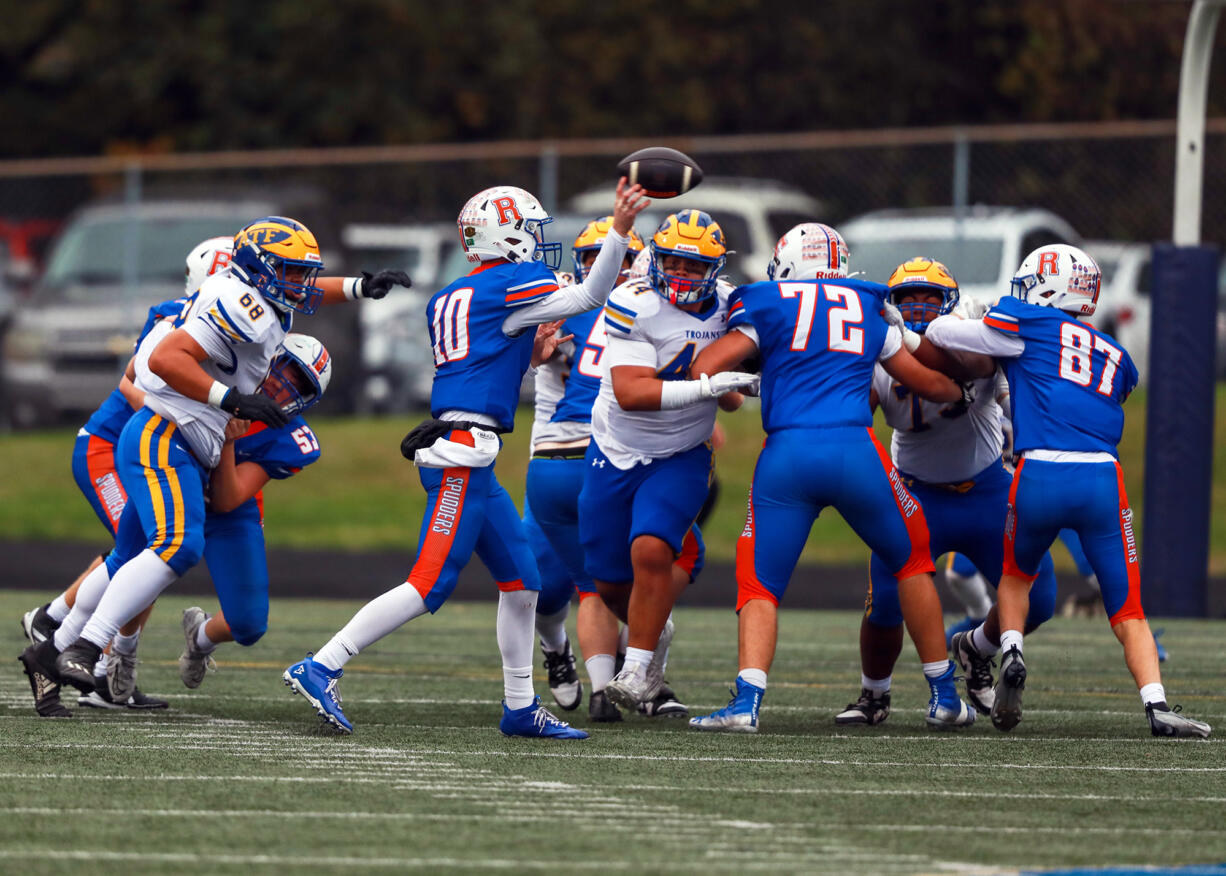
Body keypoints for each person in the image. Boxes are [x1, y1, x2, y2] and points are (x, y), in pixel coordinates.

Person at [282, 181, 649, 738]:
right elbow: (588, 299)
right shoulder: (512, 281)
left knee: (523, 583)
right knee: (430, 584)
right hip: (462, 453)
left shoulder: (450, 295)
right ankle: (322, 664)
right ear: (506, 233)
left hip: (468, 446)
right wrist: (619, 231)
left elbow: (477, 367)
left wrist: (531, 355)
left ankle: (520, 706)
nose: (536, 241)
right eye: (529, 229)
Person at [28, 217, 408, 705]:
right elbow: (161, 362)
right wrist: (231, 401)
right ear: (258, 268)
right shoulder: (237, 303)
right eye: (290, 272)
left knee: (147, 555)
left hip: (187, 443)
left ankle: (50, 652)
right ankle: (86, 645)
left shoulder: (262, 303)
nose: (301, 283)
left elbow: (307, 292)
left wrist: (359, 286)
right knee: (174, 546)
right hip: (168, 434)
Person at [686, 223, 975, 734]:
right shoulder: (867, 303)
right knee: (911, 562)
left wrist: (740, 380)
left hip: (787, 456)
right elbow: (923, 382)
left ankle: (747, 702)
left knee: (759, 584)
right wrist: (961, 393)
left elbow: (705, 366)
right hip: (855, 452)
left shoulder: (767, 301)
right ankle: (944, 695)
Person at [921, 243, 1209, 738]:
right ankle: (1156, 704)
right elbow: (1109, 389)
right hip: (1102, 479)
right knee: (1129, 609)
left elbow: (953, 333)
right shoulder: (1116, 355)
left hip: (1040, 473)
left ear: (1048, 290)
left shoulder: (1029, 324)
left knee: (1016, 578)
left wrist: (937, 327)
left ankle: (1011, 649)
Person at [832, 257, 1057, 726]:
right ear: (890, 307)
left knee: (1041, 599)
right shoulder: (878, 350)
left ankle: (976, 650)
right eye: (907, 300)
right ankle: (875, 695)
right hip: (916, 496)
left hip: (988, 491)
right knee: (885, 605)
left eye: (928, 299)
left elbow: (996, 369)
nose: (916, 308)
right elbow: (853, 417)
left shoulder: (971, 336)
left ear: (950, 304)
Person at [18, 237, 235, 714]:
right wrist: (189, 424)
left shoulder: (232, 322)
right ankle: (84, 650)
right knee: (147, 552)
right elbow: (132, 382)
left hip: (142, 449)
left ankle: (59, 635)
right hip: (111, 448)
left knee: (141, 553)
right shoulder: (185, 317)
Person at [577, 208, 758, 714]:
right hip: (614, 450)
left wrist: (734, 381)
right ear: (656, 259)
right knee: (608, 579)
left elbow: (730, 398)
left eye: (695, 266)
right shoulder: (633, 301)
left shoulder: (728, 307)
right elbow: (631, 393)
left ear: (715, 270)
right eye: (674, 262)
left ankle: (635, 670)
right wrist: (707, 384)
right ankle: (653, 630)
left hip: (682, 453)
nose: (682, 274)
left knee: (653, 548)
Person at [526, 216, 696, 722]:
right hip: (606, 453)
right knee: (671, 557)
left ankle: (608, 684)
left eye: (622, 258)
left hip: (550, 464)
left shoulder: (565, 304)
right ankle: (642, 664)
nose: (615, 269)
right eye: (603, 260)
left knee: (586, 583)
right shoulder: (649, 308)